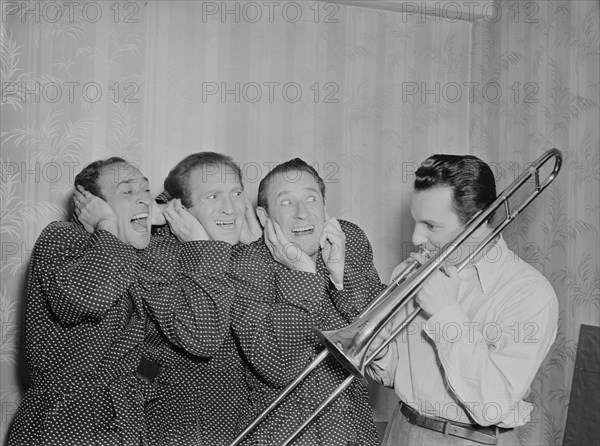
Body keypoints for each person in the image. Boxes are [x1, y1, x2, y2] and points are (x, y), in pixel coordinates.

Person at [366, 154, 559, 445]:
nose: (416, 238)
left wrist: (445, 313)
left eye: (431, 226)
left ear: (479, 222)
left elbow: (491, 403)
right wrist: (376, 348)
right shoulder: (412, 272)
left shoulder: (529, 292)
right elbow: (393, 374)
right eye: (415, 221)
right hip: (402, 430)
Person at [230, 158, 385, 446]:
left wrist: (340, 277)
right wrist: (304, 275)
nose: (303, 213)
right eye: (286, 203)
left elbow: (382, 342)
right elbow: (277, 367)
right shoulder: (246, 264)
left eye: (311, 199)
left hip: (354, 426)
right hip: (284, 431)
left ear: (325, 206)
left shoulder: (349, 240)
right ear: (264, 217)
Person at [9, 157, 153, 445]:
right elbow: (81, 299)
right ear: (91, 204)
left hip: (122, 420)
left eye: (146, 191)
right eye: (127, 192)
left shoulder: (134, 256)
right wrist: (108, 224)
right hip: (63, 417)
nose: (145, 201)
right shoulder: (63, 237)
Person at [138, 152, 261, 446]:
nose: (231, 209)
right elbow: (202, 337)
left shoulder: (246, 250)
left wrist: (257, 250)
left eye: (236, 194)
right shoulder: (157, 255)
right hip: (188, 426)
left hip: (255, 420)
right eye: (213, 197)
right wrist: (201, 248)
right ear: (178, 208)